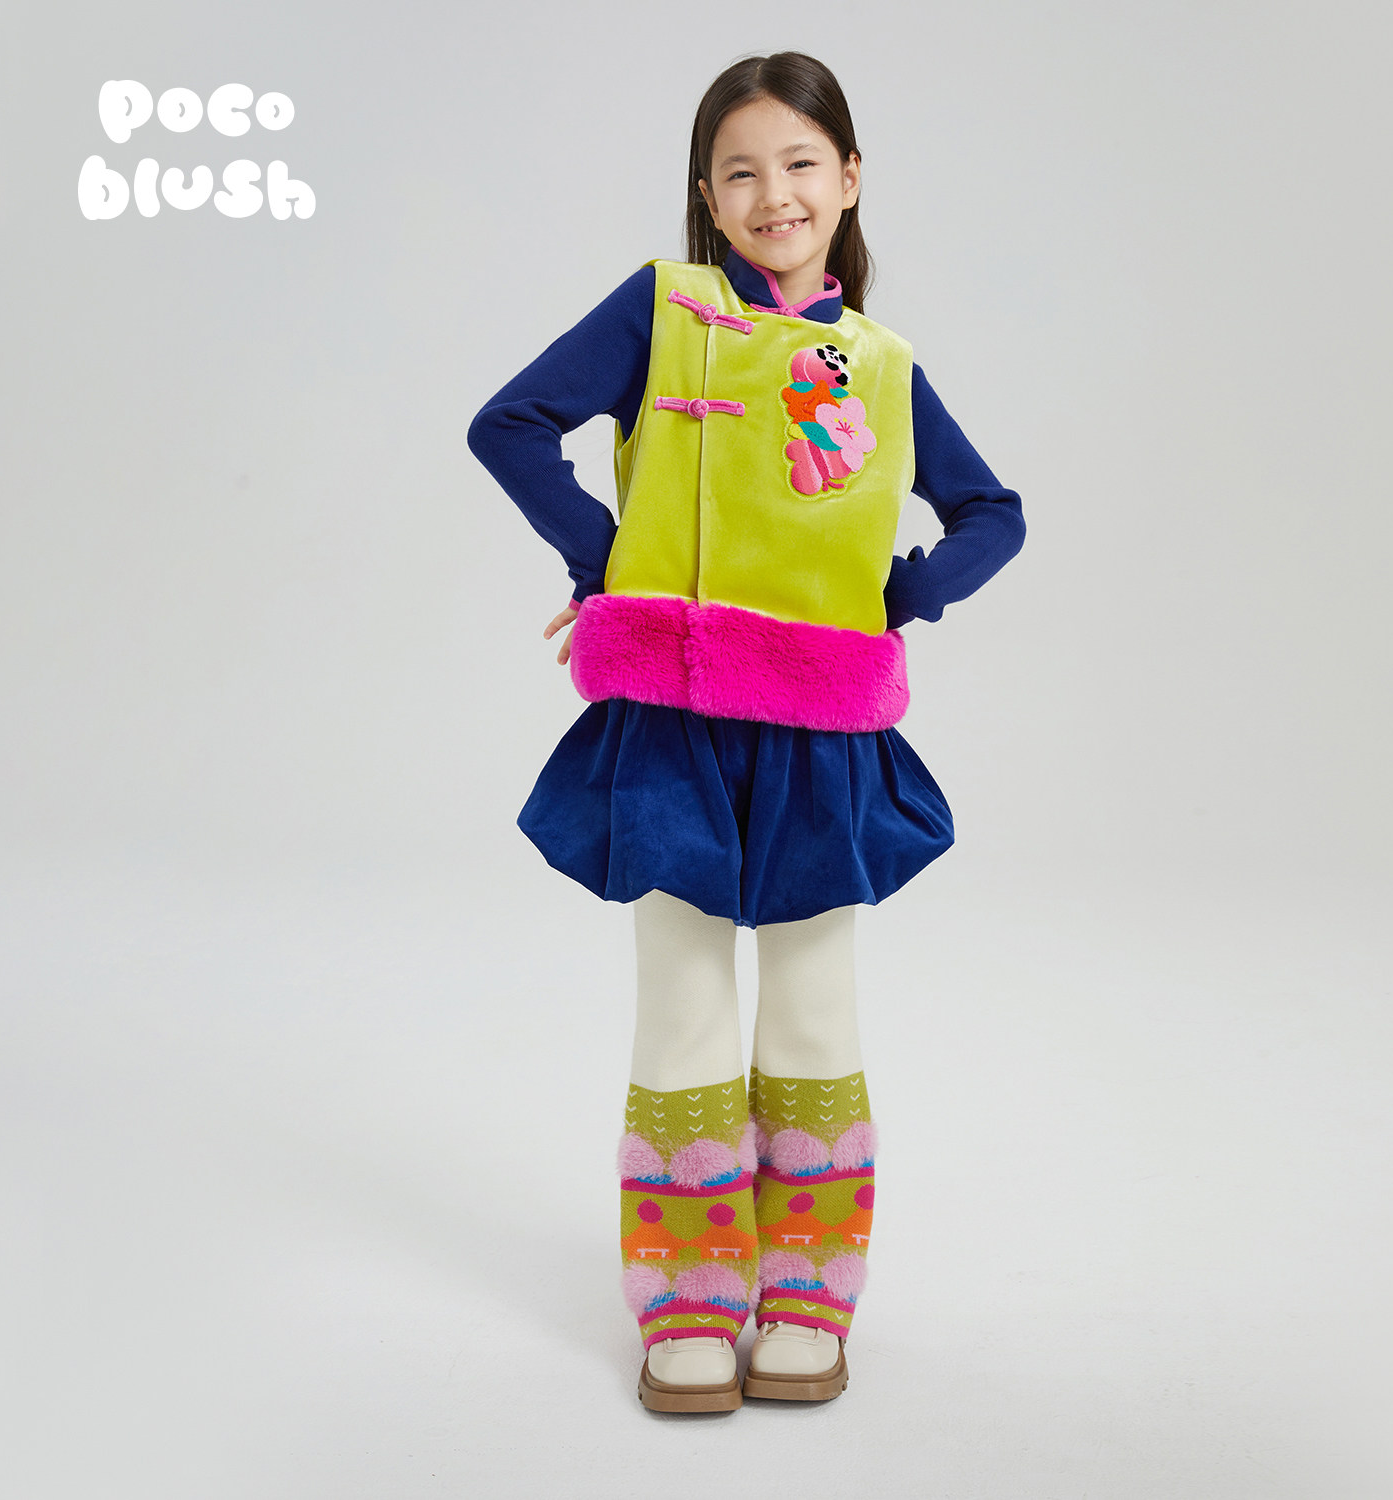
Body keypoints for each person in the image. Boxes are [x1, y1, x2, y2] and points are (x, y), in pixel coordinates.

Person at [466, 51, 1026, 1412]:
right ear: (708, 199)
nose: (774, 193)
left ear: (850, 178)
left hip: (820, 729)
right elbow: (510, 424)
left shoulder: (879, 367)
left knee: (816, 1002)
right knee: (683, 1006)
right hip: (670, 716)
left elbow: (992, 513)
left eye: (800, 163)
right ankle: (688, 1295)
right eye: (740, 172)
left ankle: (810, 1290)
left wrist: (906, 594)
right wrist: (607, 562)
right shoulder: (662, 312)